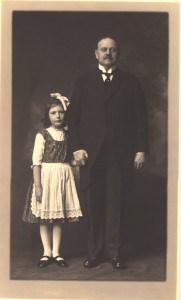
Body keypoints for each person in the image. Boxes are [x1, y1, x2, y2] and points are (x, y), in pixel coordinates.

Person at [68, 35, 149, 269]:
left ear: (118, 54)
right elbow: (73, 120)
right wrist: (76, 148)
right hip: (91, 156)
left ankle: (115, 253)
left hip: (119, 155)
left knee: (116, 203)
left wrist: (141, 149)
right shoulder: (83, 82)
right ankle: (94, 253)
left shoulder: (131, 82)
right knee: (93, 204)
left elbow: (140, 119)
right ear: (95, 53)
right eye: (103, 49)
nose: (107, 53)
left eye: (112, 50)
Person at [22, 93, 83, 268]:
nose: (57, 116)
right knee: (44, 217)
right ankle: (46, 252)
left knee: (58, 217)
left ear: (65, 114)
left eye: (61, 112)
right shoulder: (42, 135)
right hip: (46, 177)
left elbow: (69, 159)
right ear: (47, 115)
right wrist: (38, 185)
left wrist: (77, 161)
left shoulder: (68, 134)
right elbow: (36, 163)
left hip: (63, 178)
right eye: (53, 112)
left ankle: (57, 252)